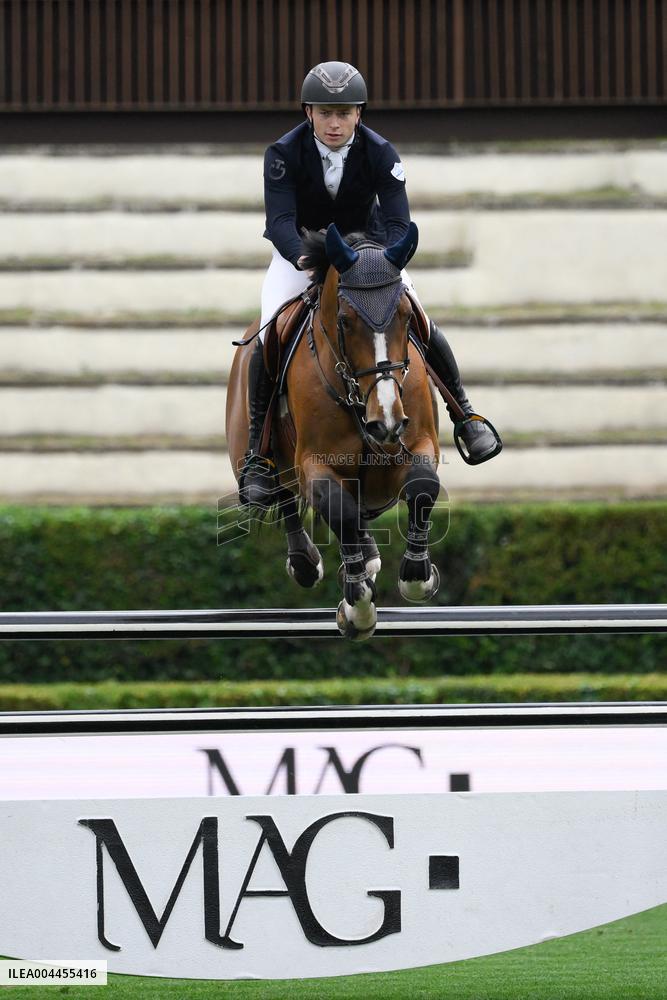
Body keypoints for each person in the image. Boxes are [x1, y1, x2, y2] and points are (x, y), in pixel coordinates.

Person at [240, 60, 500, 505]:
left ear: (359, 113)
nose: (335, 123)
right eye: (325, 113)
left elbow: (400, 223)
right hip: (301, 255)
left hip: (370, 257)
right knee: (269, 335)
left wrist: (380, 260)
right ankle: (258, 455)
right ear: (308, 113)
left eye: (344, 113)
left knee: (418, 316)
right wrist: (306, 258)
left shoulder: (382, 153)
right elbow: (280, 221)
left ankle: (465, 415)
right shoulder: (281, 155)